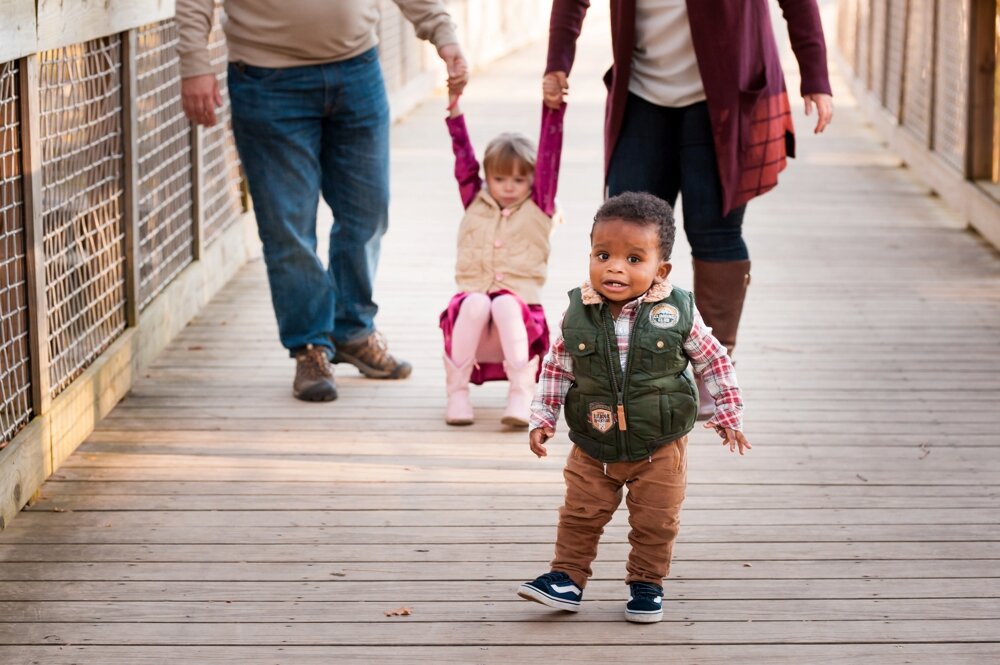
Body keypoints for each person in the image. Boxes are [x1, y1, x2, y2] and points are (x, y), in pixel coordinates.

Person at [543, 0, 833, 417]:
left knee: (715, 232)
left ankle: (711, 370)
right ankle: (622, 364)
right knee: (624, 233)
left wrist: (815, 75)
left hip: (724, 97)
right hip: (641, 95)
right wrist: (557, 62)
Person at [176, 0, 469, 401]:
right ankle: (310, 346)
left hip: (356, 69)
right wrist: (195, 63)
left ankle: (352, 330)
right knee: (287, 225)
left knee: (368, 211)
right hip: (267, 78)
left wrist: (442, 32)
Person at [517, 191, 750, 623]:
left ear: (660, 269)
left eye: (633, 259)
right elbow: (556, 368)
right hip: (593, 440)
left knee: (655, 521)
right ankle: (566, 579)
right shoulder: (578, 313)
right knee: (580, 514)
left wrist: (727, 413)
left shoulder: (677, 310)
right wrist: (542, 418)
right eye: (603, 254)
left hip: (659, 444)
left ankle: (646, 584)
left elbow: (714, 359)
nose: (615, 268)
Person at [439, 89, 566, 426]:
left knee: (505, 303)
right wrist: (454, 112)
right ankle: (457, 393)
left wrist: (553, 110)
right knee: (476, 302)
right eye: (499, 178)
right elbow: (463, 160)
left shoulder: (540, 205)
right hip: (474, 321)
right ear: (487, 178)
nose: (508, 187)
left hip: (521, 320)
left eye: (518, 179)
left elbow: (551, 156)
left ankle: (521, 394)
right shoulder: (474, 200)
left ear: (531, 179)